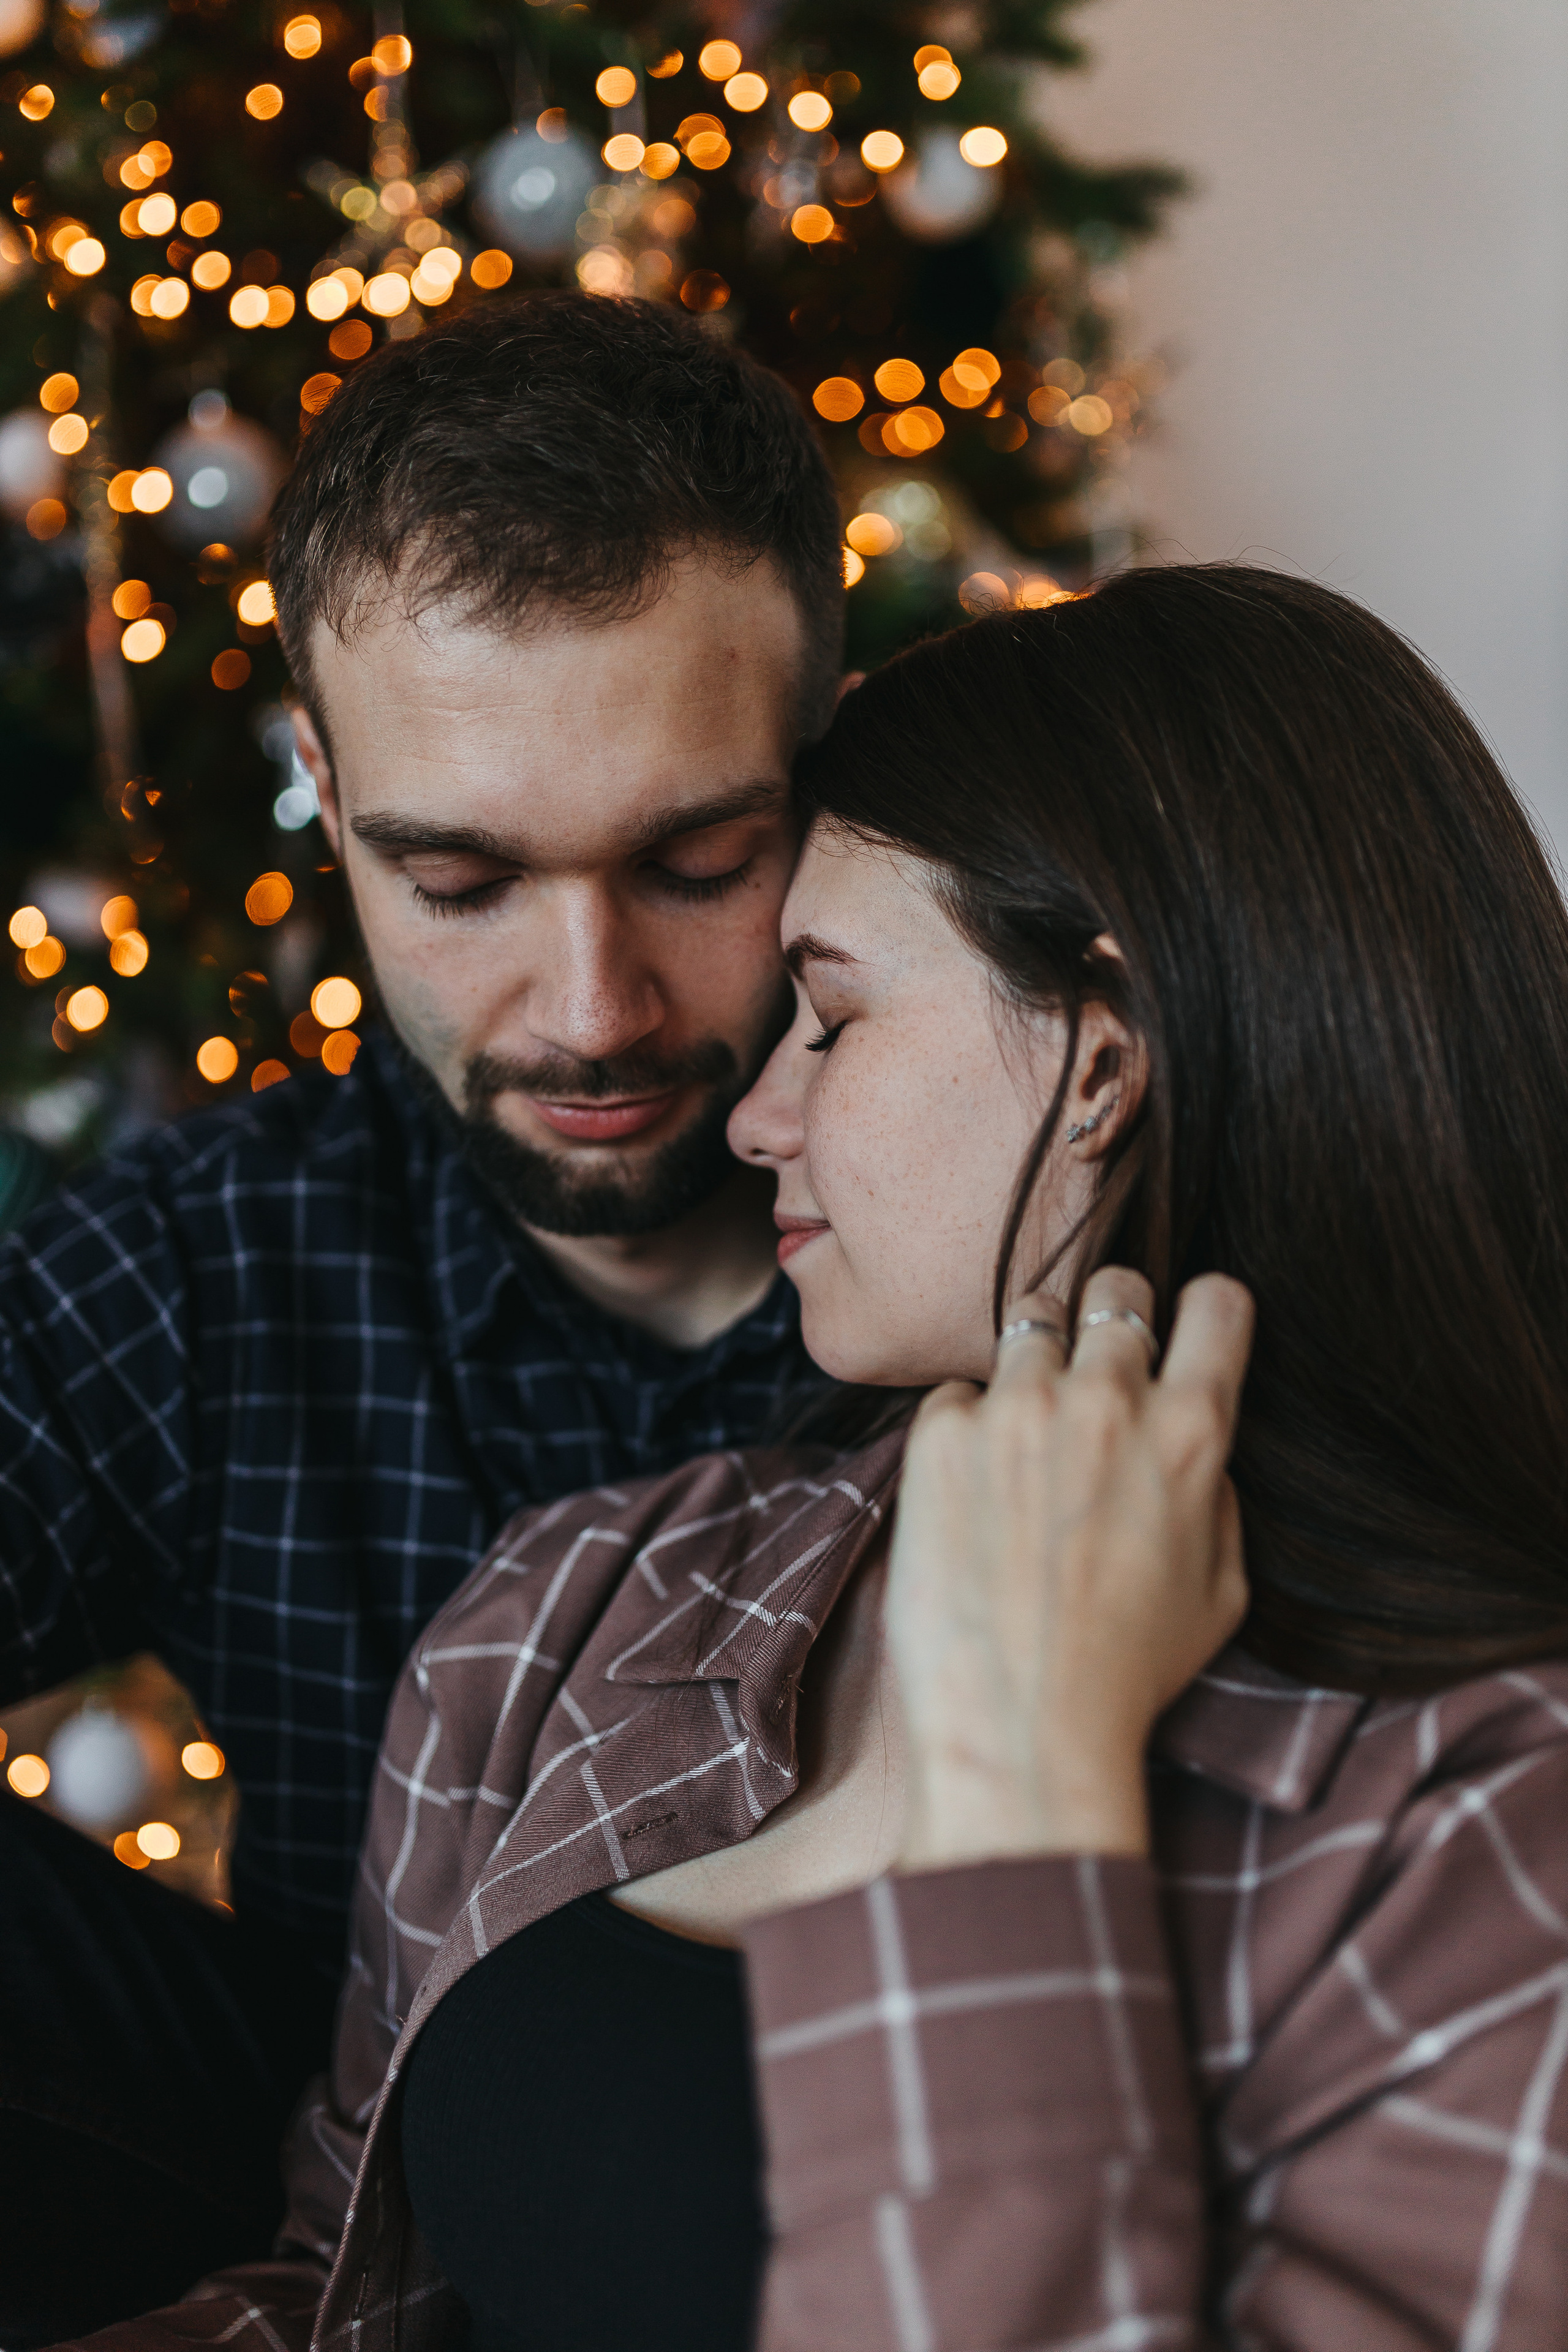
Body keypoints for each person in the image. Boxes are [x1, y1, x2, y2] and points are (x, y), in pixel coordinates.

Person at [66, 563, 1568, 2352]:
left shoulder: (1483, 1826)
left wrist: (1023, 1794)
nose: (757, 1112)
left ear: (1102, 1066)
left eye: (834, 1020)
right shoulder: (584, 1597)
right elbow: (337, 2295)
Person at [0, 292, 847, 2341]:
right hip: (338, 2168)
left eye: (701, 858)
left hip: (845, 2179)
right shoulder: (218, 1264)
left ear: (838, 758)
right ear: (322, 777)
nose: (591, 1009)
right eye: (460, 883)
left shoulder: (1054, 1221)